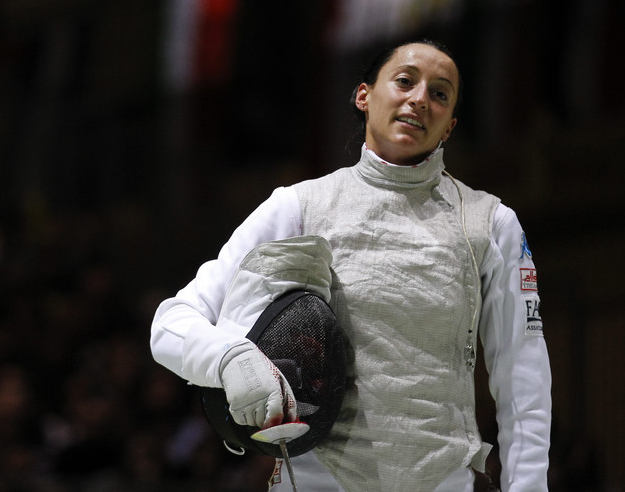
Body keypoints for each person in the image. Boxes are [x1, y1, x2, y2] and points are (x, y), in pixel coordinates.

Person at [150, 40, 551, 491]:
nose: (420, 99)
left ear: (449, 127)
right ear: (364, 96)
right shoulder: (299, 208)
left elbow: (524, 378)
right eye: (404, 81)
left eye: (440, 94)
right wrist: (229, 358)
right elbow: (170, 325)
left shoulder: (490, 224)